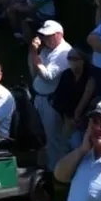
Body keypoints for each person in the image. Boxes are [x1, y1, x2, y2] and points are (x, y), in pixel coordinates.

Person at [30, 20, 72, 168]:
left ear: (59, 35)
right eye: (43, 36)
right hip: (39, 97)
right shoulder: (48, 49)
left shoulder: (64, 52)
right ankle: (45, 166)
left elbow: (47, 76)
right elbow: (33, 70)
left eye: (49, 36)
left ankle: (56, 171)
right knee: (41, 136)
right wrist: (33, 52)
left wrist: (35, 53)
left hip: (51, 101)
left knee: (54, 138)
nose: (45, 39)